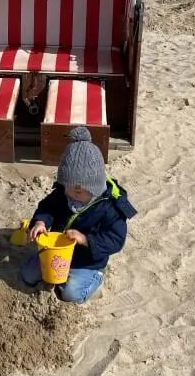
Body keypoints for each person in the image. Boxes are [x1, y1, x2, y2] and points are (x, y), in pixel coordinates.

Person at [21, 127, 136, 304]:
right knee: (28, 275)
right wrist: (40, 222)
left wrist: (85, 239)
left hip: (87, 261)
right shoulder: (62, 193)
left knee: (71, 294)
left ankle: (96, 278)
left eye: (79, 192)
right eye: (69, 188)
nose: (73, 195)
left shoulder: (110, 206)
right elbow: (47, 207)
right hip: (57, 251)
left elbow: (115, 239)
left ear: (94, 188)